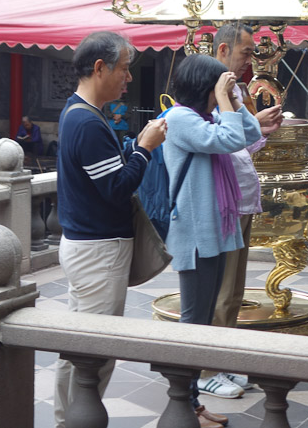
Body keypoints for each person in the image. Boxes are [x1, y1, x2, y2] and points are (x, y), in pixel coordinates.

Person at [53, 31, 167, 428]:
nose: (129, 78)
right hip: (98, 251)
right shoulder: (86, 122)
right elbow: (117, 188)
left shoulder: (76, 112)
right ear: (99, 68)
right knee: (96, 354)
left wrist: (134, 150)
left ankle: (67, 420)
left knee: (79, 347)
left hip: (87, 246)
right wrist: (144, 148)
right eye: (124, 68)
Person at [163, 54, 262, 427]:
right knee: (193, 322)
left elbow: (250, 135)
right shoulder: (180, 119)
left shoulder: (206, 118)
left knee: (202, 321)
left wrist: (234, 100)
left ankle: (191, 405)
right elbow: (231, 138)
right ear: (205, 87)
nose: (227, 92)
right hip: (195, 234)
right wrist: (225, 100)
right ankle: (181, 406)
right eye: (221, 86)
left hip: (215, 231)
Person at [198, 22, 283, 399]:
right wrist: (250, 128)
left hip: (242, 201)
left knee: (232, 290)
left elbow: (238, 147)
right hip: (223, 204)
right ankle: (205, 369)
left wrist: (258, 131)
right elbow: (215, 145)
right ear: (222, 51)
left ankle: (222, 358)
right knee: (217, 289)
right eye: (246, 53)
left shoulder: (234, 92)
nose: (252, 60)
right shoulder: (208, 94)